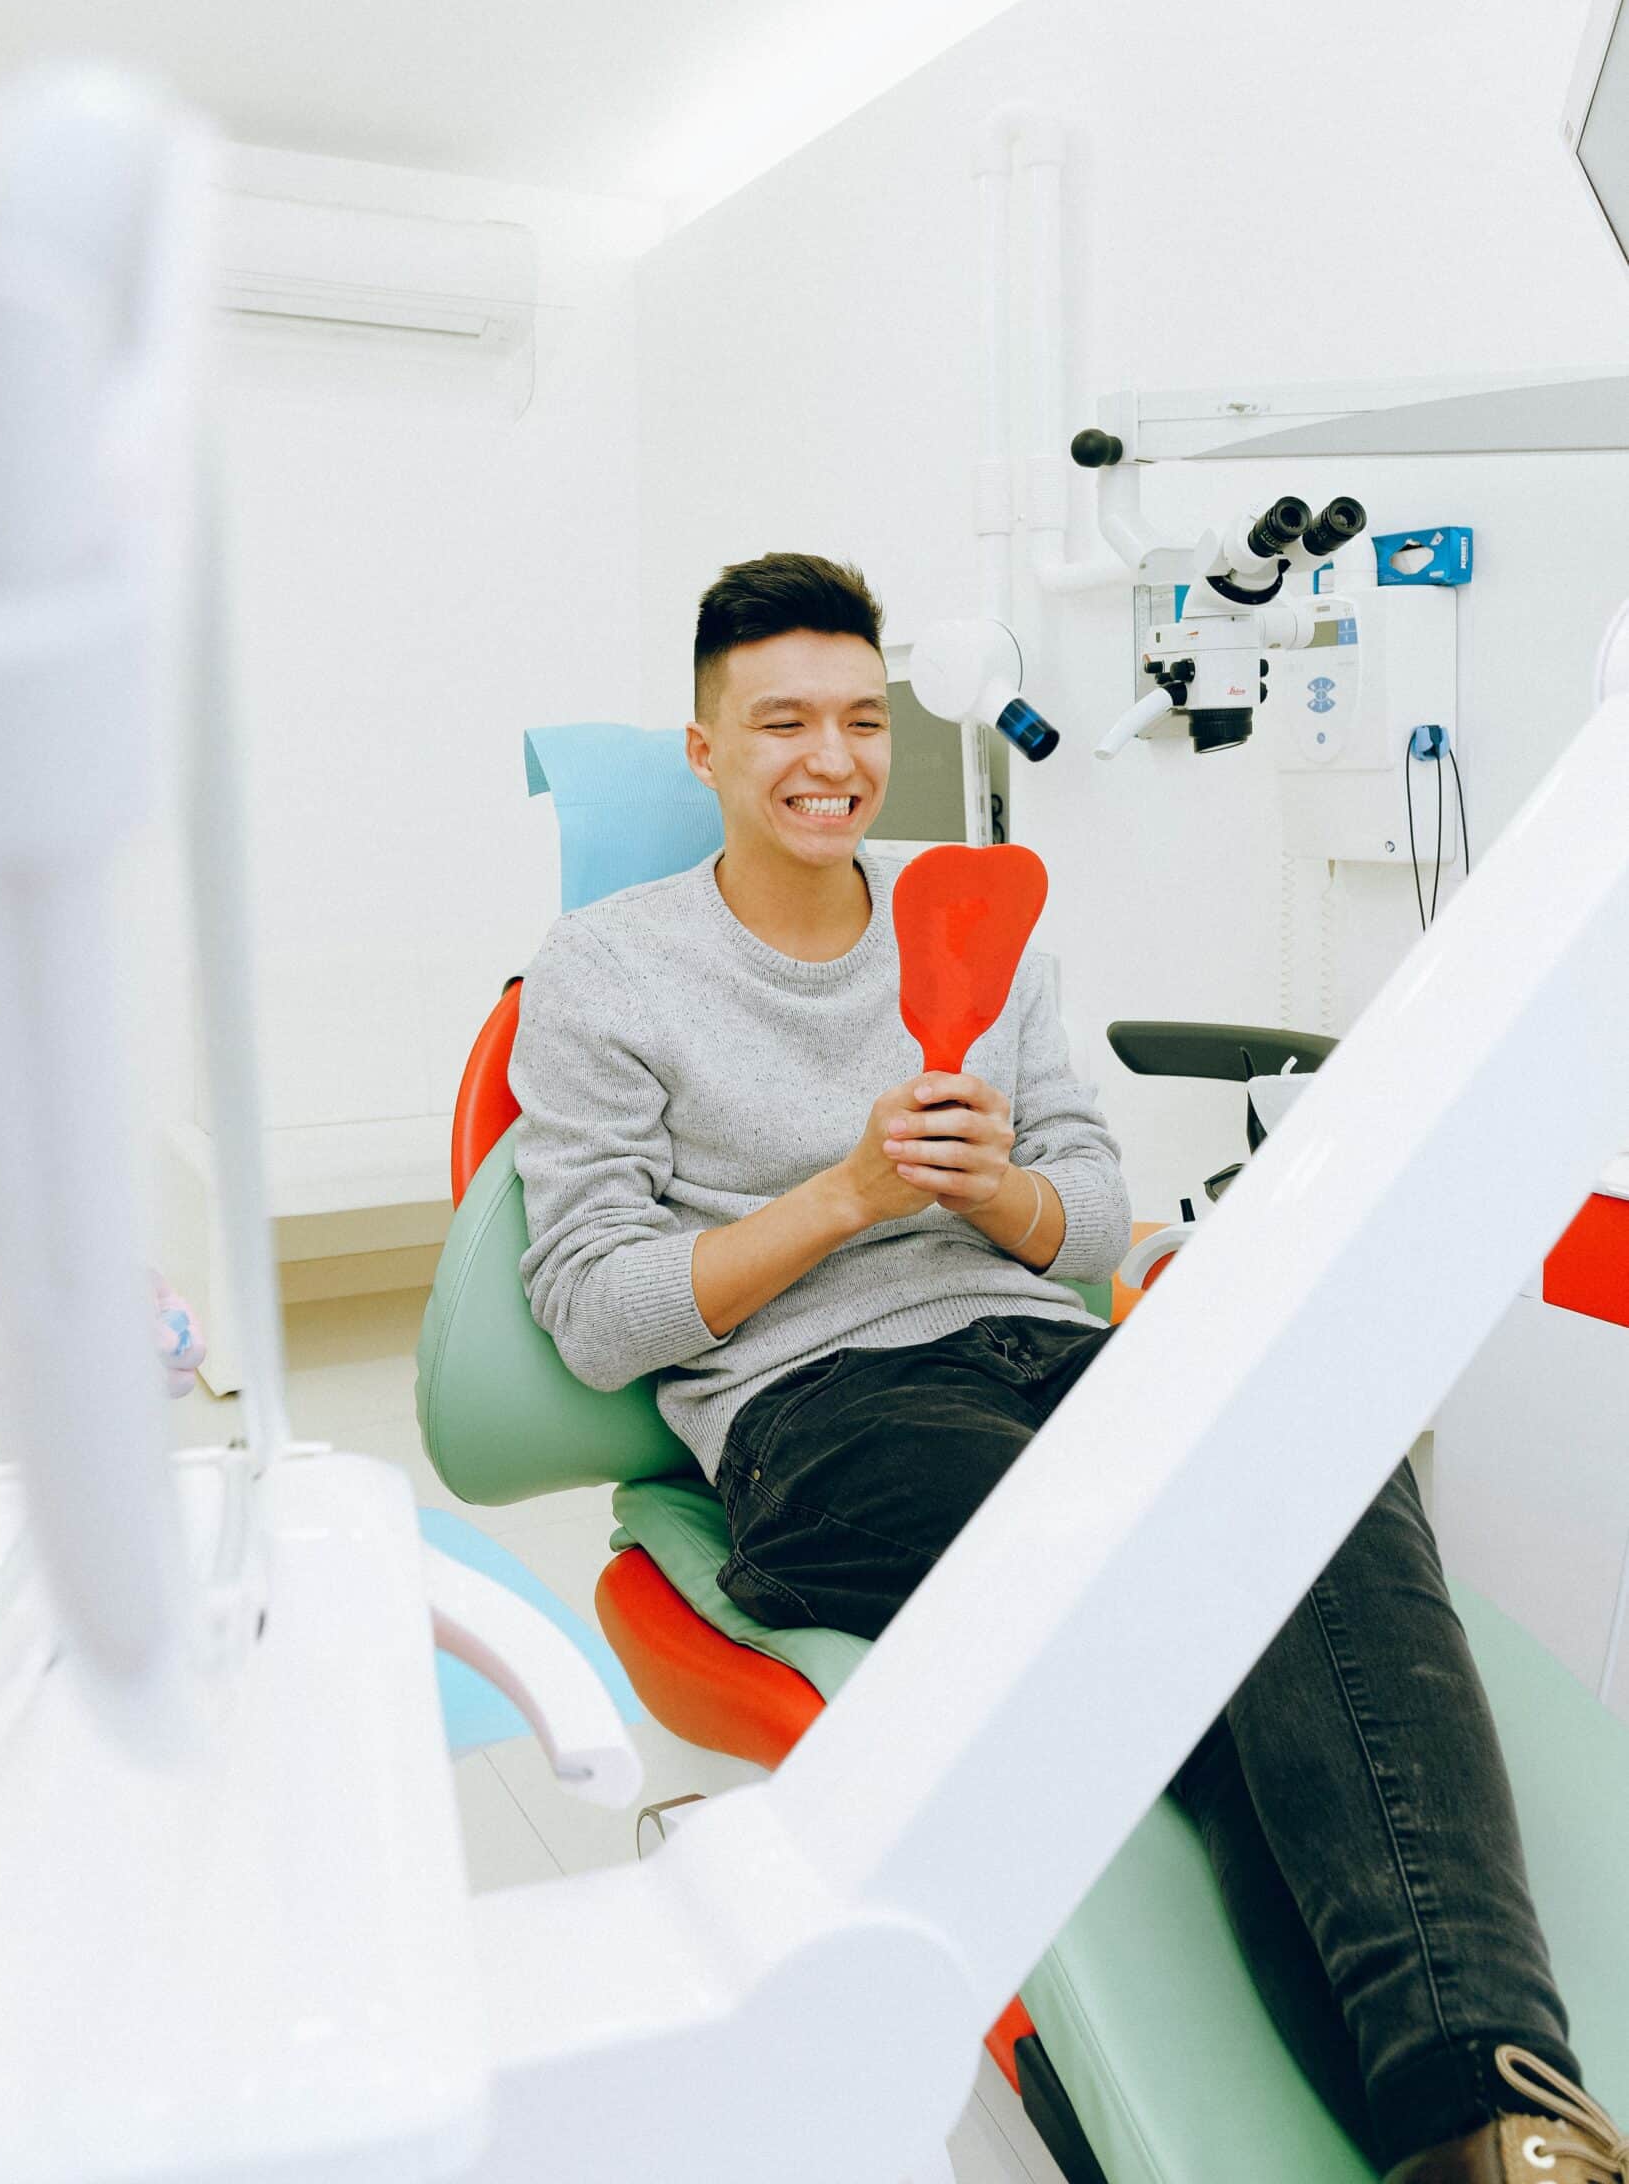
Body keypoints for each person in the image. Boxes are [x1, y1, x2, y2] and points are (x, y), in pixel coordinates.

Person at [510, 550, 1627, 2184]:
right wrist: (850, 1196)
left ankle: (1496, 2129)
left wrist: (998, 1192)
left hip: (1046, 1344)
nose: (830, 760)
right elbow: (596, 1313)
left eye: (855, 719)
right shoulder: (607, 970)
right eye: (777, 726)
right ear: (704, 751)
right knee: (1170, 1562)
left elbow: (1093, 1210)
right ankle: (1479, 2099)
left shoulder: (977, 919)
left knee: (1307, 1468)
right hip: (821, 1415)